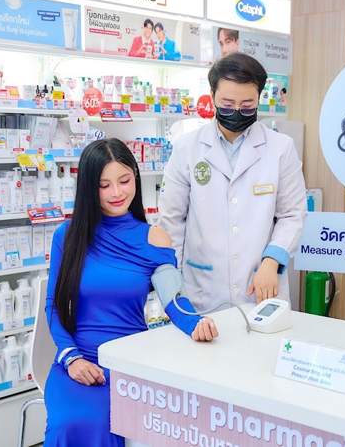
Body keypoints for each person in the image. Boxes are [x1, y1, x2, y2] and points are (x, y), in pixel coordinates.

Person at [44, 139, 218, 446]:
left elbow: (174, 300)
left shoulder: (155, 238)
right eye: (104, 185)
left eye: (124, 181)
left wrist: (197, 324)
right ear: (89, 188)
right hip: (78, 360)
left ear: (135, 177)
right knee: (67, 423)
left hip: (130, 362)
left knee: (113, 421)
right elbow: (54, 306)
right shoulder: (67, 236)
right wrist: (71, 359)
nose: (116, 193)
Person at [159, 53, 307, 312]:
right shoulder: (187, 148)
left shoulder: (280, 148)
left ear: (259, 98)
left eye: (247, 106)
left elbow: (293, 215)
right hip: (202, 291)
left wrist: (272, 260)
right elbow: (172, 221)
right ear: (212, 95)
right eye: (227, 105)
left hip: (261, 290)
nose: (237, 112)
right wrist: (173, 288)